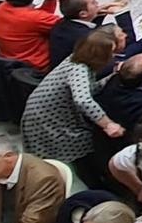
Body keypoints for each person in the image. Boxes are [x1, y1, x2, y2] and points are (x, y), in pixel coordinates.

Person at [20, 25, 123, 164]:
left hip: (49, 114)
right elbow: (83, 100)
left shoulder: (77, 59)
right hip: (47, 121)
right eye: (109, 52)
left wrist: (113, 76)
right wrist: (108, 124)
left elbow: (90, 88)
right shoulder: (79, 69)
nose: (112, 56)